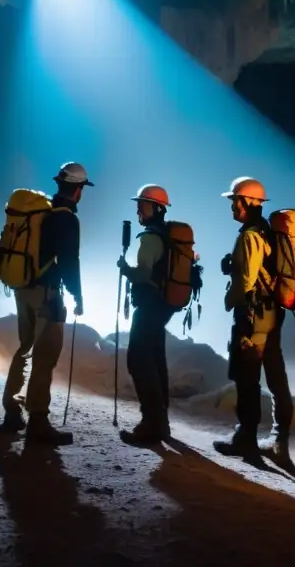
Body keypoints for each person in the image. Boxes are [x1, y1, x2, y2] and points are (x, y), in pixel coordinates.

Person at [1, 161, 91, 445]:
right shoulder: (66, 219)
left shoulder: (41, 212)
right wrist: (77, 295)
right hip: (47, 293)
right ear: (78, 190)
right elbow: (69, 262)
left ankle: (12, 412)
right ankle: (38, 420)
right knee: (45, 356)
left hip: (22, 288)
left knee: (25, 348)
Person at [213, 177, 294, 460]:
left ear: (248, 202)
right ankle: (279, 440)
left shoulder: (249, 235)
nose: (232, 207)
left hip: (253, 315)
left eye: (235, 201)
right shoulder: (267, 231)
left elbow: (246, 282)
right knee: (275, 374)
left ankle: (245, 437)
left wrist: (228, 299)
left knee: (247, 377)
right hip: (272, 313)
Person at [117, 184, 177, 445]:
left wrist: (125, 269)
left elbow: (143, 274)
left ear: (157, 208)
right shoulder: (166, 236)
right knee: (155, 360)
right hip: (162, 306)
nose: (138, 209)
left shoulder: (150, 238)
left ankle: (152, 424)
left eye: (143, 204)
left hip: (149, 306)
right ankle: (160, 422)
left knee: (139, 360)